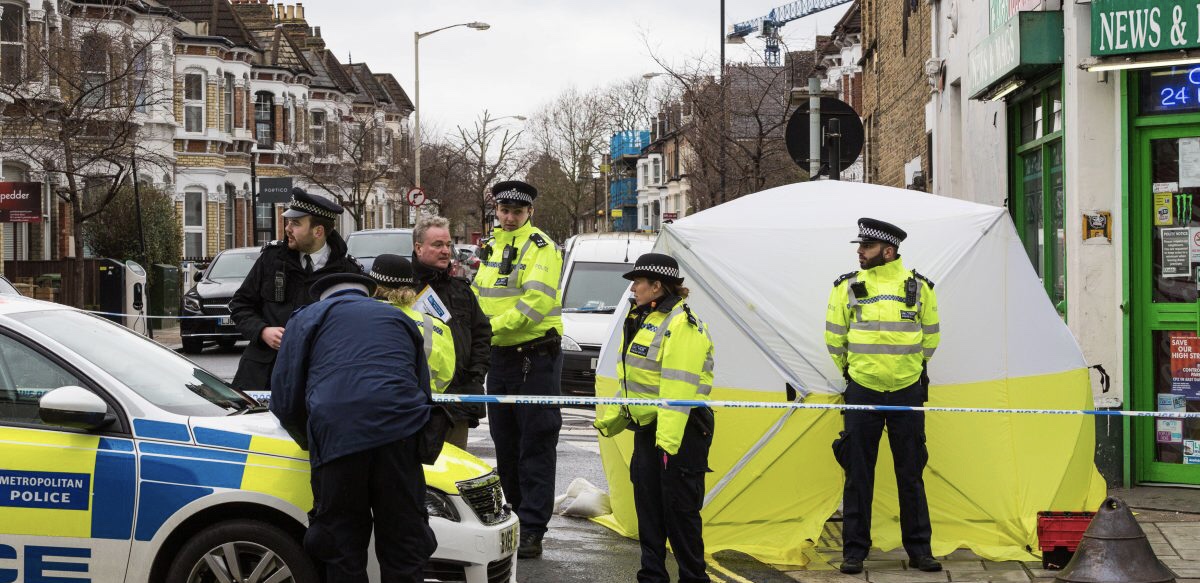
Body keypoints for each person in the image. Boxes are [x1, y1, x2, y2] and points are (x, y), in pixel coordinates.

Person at [270, 272, 436, 583]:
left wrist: (313, 440)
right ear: (367, 293)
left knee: (341, 546)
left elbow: (284, 401)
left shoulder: (307, 318)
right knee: (404, 544)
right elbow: (422, 391)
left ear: (322, 296)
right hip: (400, 438)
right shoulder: (396, 317)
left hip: (338, 440)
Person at [825, 218, 941, 575]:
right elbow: (834, 338)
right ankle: (855, 552)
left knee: (911, 473)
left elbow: (931, 338)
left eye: (867, 247)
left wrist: (908, 371)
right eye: (860, 247)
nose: (860, 252)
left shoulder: (920, 288)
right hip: (862, 390)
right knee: (858, 475)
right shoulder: (847, 287)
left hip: (907, 390)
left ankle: (920, 551)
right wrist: (855, 373)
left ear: (888, 251)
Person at [594, 253, 715, 583]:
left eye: (638, 282)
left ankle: (694, 578)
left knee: (680, 513)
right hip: (651, 430)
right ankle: (651, 576)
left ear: (657, 286)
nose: (633, 288)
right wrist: (615, 418)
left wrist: (668, 444)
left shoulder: (681, 324)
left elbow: (679, 388)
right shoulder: (642, 318)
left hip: (680, 431)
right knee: (648, 508)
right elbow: (635, 380)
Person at [472, 180, 563, 559]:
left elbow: (536, 302)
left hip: (534, 357)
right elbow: (481, 293)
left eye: (517, 212)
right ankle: (514, 519)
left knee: (536, 444)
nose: (509, 218)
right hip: (502, 357)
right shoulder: (492, 245)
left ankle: (533, 528)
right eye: (504, 211)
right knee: (506, 444)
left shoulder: (541, 247)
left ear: (530, 213)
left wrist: (488, 329)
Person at [229, 188, 361, 392]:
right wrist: (262, 331)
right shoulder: (272, 260)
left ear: (318, 231)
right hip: (263, 376)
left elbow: (355, 330)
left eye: (296, 223)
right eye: (288, 222)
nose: (287, 228)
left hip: (318, 378)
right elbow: (240, 305)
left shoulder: (347, 273)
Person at [411, 216, 491, 449]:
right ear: (418, 248)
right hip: (414, 404)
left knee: (452, 478)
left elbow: (482, 335)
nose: (445, 251)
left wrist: (475, 375)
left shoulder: (461, 291)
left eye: (448, 245)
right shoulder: (404, 290)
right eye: (437, 245)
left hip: (457, 404)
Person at [368, 253, 456, 395]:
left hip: (369, 405)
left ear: (374, 288)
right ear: (410, 289)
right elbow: (445, 376)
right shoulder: (435, 326)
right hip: (419, 407)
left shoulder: (359, 319)